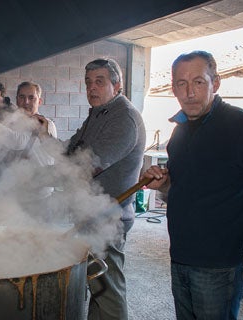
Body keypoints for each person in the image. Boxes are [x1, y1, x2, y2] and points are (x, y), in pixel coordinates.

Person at [141, 50, 243, 320]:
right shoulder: (179, 132)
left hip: (220, 266)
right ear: (173, 88)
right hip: (180, 257)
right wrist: (163, 184)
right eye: (181, 83)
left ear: (215, 83)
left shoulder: (242, 126)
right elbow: (183, 190)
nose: (189, 92)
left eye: (198, 82)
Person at [67, 58, 146, 320]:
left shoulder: (124, 118)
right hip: (91, 214)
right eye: (88, 82)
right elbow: (69, 148)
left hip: (109, 218)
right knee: (96, 285)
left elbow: (88, 165)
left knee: (108, 290)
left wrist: (55, 172)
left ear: (117, 84)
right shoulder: (98, 114)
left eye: (100, 82)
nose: (92, 88)